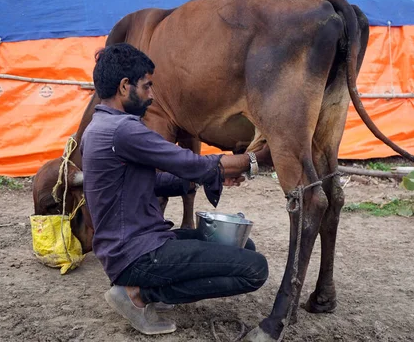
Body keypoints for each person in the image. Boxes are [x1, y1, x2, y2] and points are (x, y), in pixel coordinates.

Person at [80, 43, 272, 335]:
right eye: (147, 87)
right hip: (137, 254)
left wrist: (207, 177)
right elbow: (187, 161)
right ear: (124, 87)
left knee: (243, 247)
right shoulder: (124, 130)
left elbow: (150, 182)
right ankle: (141, 295)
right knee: (254, 268)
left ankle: (150, 286)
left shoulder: (100, 128)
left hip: (131, 247)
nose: (152, 95)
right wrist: (255, 159)